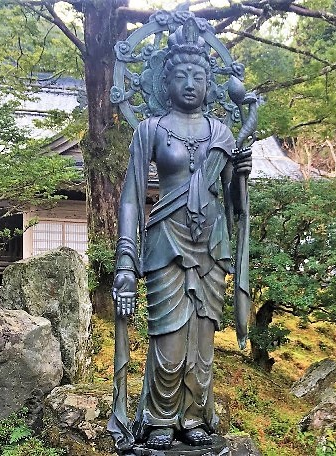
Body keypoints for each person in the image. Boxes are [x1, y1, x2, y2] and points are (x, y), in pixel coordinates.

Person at [111, 23, 251, 450]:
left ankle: (194, 415)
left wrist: (241, 175)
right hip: (165, 242)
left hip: (211, 244)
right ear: (163, 81)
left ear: (209, 84)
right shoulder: (150, 130)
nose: (190, 83)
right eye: (180, 75)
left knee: (203, 343)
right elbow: (131, 199)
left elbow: (233, 204)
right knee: (168, 337)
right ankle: (159, 417)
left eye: (198, 76)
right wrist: (125, 263)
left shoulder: (221, 133)